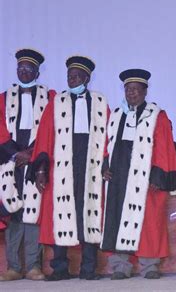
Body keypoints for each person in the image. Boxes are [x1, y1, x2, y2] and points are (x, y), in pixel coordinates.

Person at [28, 55, 108, 281]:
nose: (71, 80)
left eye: (76, 77)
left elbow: (108, 137)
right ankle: (60, 268)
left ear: (87, 78)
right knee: (60, 215)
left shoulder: (100, 103)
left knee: (88, 214)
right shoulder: (57, 102)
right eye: (69, 76)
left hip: (89, 165)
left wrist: (105, 163)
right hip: (61, 165)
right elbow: (44, 137)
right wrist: (41, 169)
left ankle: (89, 268)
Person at [101, 69, 176, 280]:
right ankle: (120, 265)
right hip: (119, 173)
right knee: (116, 218)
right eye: (128, 89)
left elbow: (164, 148)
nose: (132, 93)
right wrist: (104, 165)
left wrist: (157, 176)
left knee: (149, 220)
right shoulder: (116, 115)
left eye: (136, 89)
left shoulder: (156, 115)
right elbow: (106, 144)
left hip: (146, 174)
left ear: (145, 92)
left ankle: (150, 264)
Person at [0, 49, 54, 281]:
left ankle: (33, 266)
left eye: (28, 69)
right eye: (20, 68)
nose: (23, 72)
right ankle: (13, 266)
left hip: (36, 160)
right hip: (9, 160)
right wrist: (16, 153)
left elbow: (50, 129)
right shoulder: (3, 97)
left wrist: (31, 153)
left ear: (37, 72)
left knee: (34, 212)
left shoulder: (49, 98)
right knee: (14, 212)